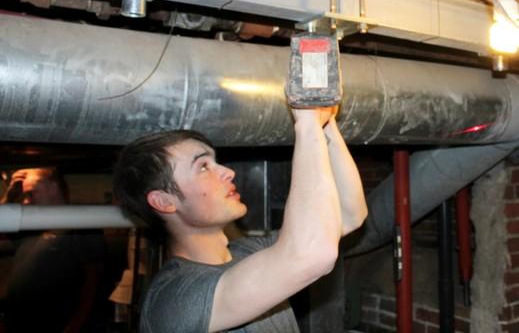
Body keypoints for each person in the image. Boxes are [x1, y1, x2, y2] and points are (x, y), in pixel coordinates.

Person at [113, 106, 368, 332]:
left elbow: (348, 215)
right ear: (164, 201)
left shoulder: (250, 251)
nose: (227, 172)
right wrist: (306, 122)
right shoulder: (171, 298)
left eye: (216, 162)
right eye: (203, 167)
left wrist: (325, 122)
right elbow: (312, 254)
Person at [4, 167, 107, 333]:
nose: (25, 201)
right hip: (18, 324)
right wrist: (9, 196)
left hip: (53, 325)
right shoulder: (32, 223)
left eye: (31, 193)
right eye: (25, 196)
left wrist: (73, 327)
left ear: (53, 188)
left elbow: (93, 281)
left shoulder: (81, 222)